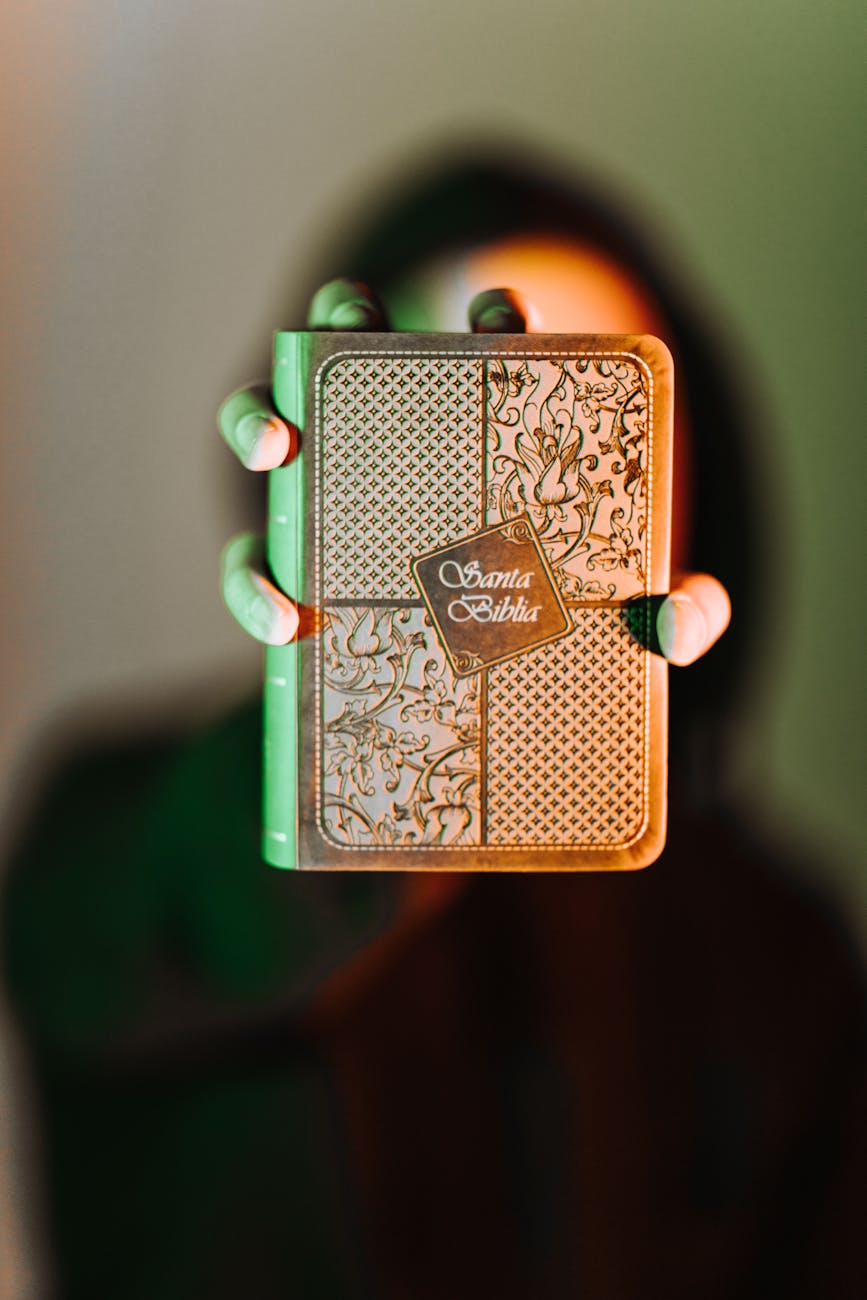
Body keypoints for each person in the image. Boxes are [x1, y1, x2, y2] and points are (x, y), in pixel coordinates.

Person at [4, 156, 864, 1299]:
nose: (506, 511)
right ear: (339, 440)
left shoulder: (781, 948)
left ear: (684, 473)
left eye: (571, 420)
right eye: (443, 405)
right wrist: (366, 733)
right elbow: (172, 926)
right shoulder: (113, 832)